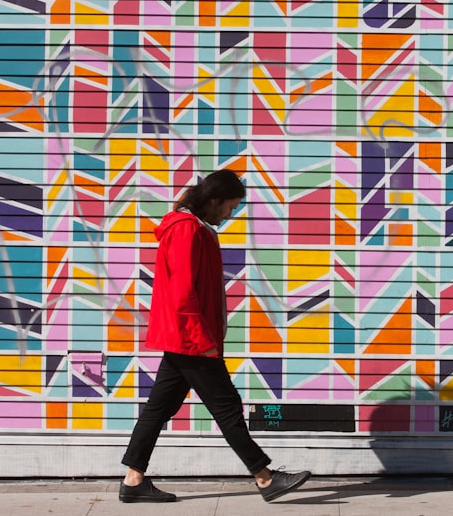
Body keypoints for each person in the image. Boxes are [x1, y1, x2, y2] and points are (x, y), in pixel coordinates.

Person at [119, 168, 311, 504]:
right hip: (190, 338)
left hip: (185, 338)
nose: (231, 214)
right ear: (213, 201)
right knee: (227, 408)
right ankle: (265, 478)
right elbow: (182, 292)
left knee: (157, 409)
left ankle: (133, 480)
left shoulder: (193, 228)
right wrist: (202, 338)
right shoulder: (186, 230)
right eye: (230, 207)